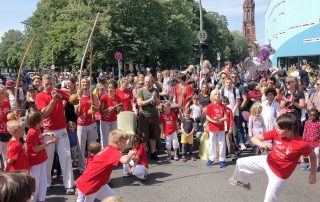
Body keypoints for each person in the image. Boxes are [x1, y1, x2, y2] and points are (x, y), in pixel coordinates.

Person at [229, 113, 317, 202]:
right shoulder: (276, 132)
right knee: (240, 162)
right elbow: (254, 138)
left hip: (279, 175)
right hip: (267, 161)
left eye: (279, 128)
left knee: (268, 200)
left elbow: (313, 156)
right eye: (276, 127)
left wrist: (312, 173)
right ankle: (244, 182)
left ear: (290, 129)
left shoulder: (301, 144)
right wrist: (262, 144)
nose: (277, 130)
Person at [35, 74, 75, 194]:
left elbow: (73, 99)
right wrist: (54, 100)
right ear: (42, 84)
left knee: (66, 156)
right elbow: (44, 113)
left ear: (54, 83)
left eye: (51, 84)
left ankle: (69, 184)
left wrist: (75, 93)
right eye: (46, 84)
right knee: (48, 158)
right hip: (48, 131)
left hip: (62, 129)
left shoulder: (58, 91)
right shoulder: (39, 96)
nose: (49, 86)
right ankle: (46, 183)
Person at [76, 129, 135, 202]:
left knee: (116, 200)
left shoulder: (108, 149)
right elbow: (125, 160)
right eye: (124, 143)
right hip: (91, 184)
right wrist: (130, 155)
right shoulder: (113, 151)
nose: (126, 145)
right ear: (117, 142)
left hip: (98, 183)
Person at [26, 111, 58, 202]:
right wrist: (49, 142)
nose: (43, 120)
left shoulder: (37, 129)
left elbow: (39, 137)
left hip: (41, 158)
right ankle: (33, 199)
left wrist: (46, 134)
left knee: (43, 180)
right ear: (37, 122)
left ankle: (41, 199)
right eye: (41, 119)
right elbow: (35, 149)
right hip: (35, 160)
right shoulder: (32, 132)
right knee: (36, 181)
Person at [75, 78, 99, 172]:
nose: (85, 83)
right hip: (81, 124)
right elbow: (76, 112)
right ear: (80, 84)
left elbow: (97, 110)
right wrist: (78, 102)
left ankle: (92, 165)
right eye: (83, 82)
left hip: (92, 124)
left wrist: (94, 107)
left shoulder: (93, 96)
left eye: (87, 82)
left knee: (92, 147)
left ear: (89, 84)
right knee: (81, 147)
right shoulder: (77, 96)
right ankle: (81, 168)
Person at [136, 75, 161, 160]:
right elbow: (139, 103)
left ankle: (153, 152)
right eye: (146, 81)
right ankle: (143, 154)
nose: (147, 83)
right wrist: (150, 100)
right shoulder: (140, 90)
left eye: (149, 81)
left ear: (152, 82)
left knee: (154, 135)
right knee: (143, 136)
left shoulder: (155, 90)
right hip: (144, 116)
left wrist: (155, 98)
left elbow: (158, 103)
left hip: (154, 116)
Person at [206, 89, 227, 168]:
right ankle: (212, 158)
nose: (218, 95)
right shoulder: (210, 106)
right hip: (212, 127)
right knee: (212, 143)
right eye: (216, 94)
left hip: (221, 127)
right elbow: (207, 116)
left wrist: (221, 120)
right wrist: (213, 121)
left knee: (222, 143)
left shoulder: (223, 106)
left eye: (219, 94)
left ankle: (222, 159)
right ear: (212, 96)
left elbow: (226, 117)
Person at [100, 80, 122, 149]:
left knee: (113, 138)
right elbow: (100, 111)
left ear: (116, 89)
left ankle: (112, 153)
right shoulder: (104, 97)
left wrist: (118, 109)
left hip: (113, 121)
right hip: (104, 121)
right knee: (105, 139)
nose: (110, 89)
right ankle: (104, 153)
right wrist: (107, 109)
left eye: (112, 88)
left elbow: (117, 113)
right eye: (109, 87)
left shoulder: (118, 98)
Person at [0, 84, 11, 170]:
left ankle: (7, 175)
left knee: (7, 156)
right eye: (1, 93)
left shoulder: (7, 102)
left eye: (4, 93)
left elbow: (9, 116)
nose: (3, 95)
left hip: (6, 132)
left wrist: (12, 116)